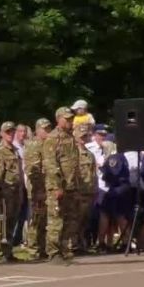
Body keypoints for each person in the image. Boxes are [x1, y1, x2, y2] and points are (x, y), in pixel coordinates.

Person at [43, 107, 79, 263]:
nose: (70, 121)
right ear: (58, 119)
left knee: (69, 220)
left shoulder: (70, 137)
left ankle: (64, 250)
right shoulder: (53, 138)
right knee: (56, 220)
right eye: (67, 119)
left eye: (71, 119)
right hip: (58, 186)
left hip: (71, 186)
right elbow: (51, 164)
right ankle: (53, 252)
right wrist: (57, 186)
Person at [0, 121, 25, 262]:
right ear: (1, 134)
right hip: (4, 193)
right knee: (1, 224)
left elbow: (19, 172)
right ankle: (0, 253)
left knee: (12, 222)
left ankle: (8, 251)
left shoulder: (15, 150)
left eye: (12, 131)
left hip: (15, 192)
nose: (10, 134)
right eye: (7, 132)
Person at [25, 118, 50, 260]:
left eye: (48, 128)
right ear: (38, 129)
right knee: (35, 220)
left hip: (47, 188)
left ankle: (42, 248)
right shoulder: (34, 145)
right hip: (37, 189)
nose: (47, 131)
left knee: (44, 220)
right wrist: (39, 190)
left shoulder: (47, 144)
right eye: (44, 128)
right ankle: (33, 250)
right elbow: (32, 170)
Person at [73, 123, 97, 252]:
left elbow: (94, 174)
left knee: (85, 220)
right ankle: (74, 244)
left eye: (85, 136)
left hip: (89, 192)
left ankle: (82, 244)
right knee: (75, 220)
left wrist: (95, 190)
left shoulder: (90, 154)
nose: (83, 138)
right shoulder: (72, 154)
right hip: (78, 192)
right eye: (81, 136)